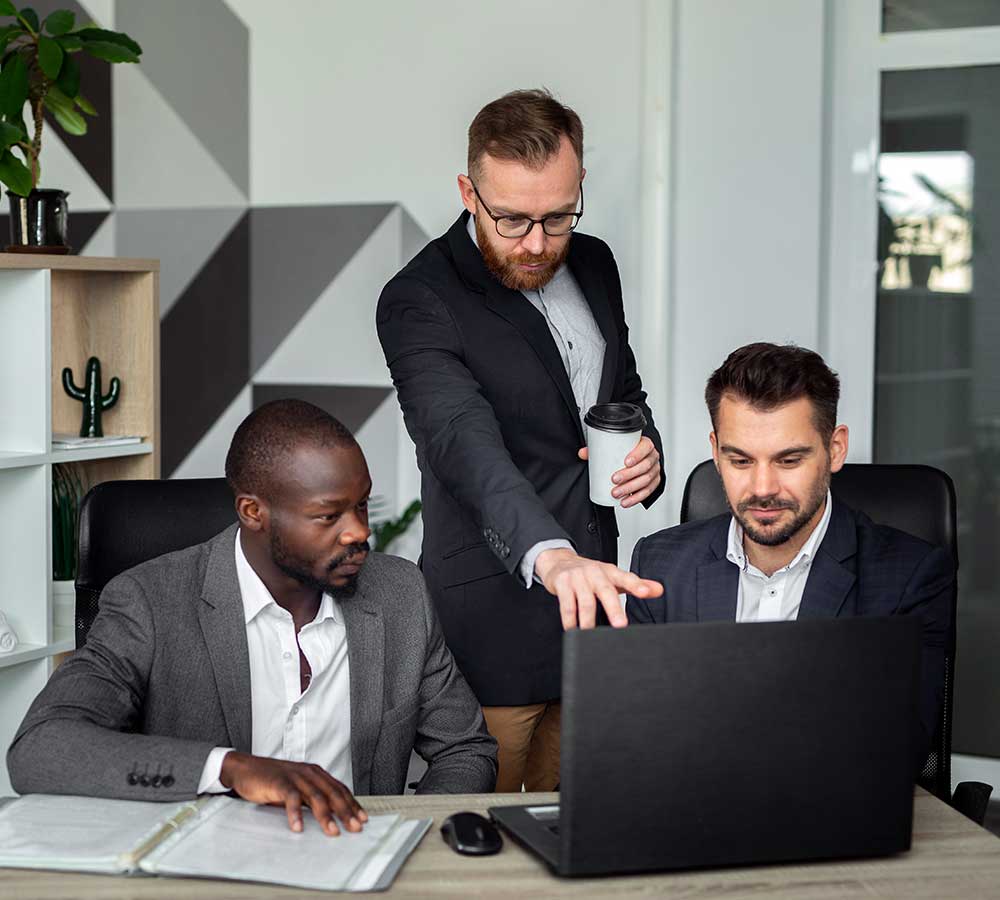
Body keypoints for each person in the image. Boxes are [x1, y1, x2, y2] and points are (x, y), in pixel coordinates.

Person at [8, 400, 497, 833]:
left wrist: (412, 834)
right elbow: (40, 748)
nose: (358, 532)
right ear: (252, 512)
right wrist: (230, 769)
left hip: (354, 859)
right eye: (329, 516)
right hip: (205, 868)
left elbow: (465, 750)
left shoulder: (400, 594)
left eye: (362, 506)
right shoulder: (150, 602)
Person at [377, 88, 665, 792]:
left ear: (579, 186)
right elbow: (462, 443)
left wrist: (645, 447)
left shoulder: (594, 263)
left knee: (581, 822)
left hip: (595, 616)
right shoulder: (419, 298)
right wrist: (552, 557)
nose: (537, 244)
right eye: (511, 219)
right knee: (483, 832)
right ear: (467, 194)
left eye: (557, 217)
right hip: (492, 625)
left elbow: (620, 389)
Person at [627, 343, 954, 760]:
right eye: (741, 461)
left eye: (788, 461)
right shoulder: (659, 566)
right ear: (716, 451)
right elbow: (638, 732)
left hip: (832, 799)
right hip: (690, 797)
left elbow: (897, 747)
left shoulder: (911, 576)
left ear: (835, 449)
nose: (763, 489)